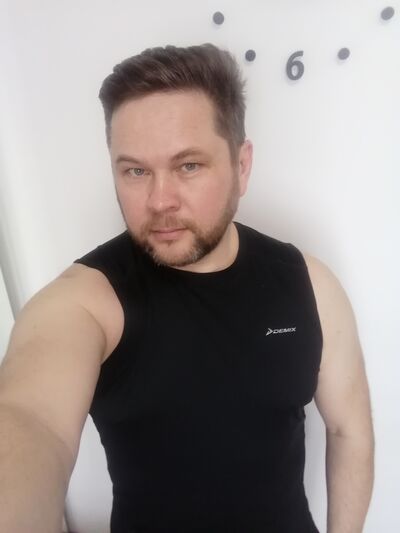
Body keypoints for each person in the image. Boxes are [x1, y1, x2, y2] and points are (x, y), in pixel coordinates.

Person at [0, 43, 374, 533]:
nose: (160, 201)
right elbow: (30, 419)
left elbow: (349, 431)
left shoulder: (310, 284)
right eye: (135, 170)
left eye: (188, 166)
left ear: (241, 165)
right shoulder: (87, 303)